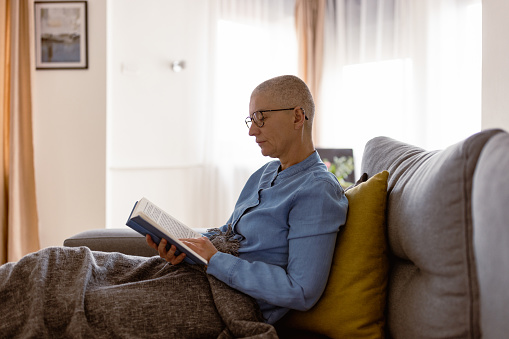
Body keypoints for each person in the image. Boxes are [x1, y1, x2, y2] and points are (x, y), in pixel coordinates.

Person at [146, 75, 348, 324]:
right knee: (86, 261)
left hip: (229, 303)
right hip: (202, 278)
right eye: (251, 120)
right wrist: (184, 245)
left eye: (261, 118)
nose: (252, 131)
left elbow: (301, 291)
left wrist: (216, 260)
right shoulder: (264, 173)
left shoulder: (317, 191)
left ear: (297, 117)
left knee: (93, 298)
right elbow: (228, 234)